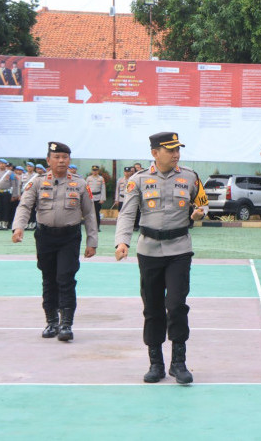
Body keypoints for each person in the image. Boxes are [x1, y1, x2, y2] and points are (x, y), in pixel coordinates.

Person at [115, 132, 209, 384]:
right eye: (170, 150)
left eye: (178, 149)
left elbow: (202, 203)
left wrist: (200, 213)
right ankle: (155, 362)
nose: (176, 154)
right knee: (153, 307)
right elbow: (127, 214)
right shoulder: (138, 180)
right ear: (155, 153)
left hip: (179, 249)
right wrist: (122, 241)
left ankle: (179, 363)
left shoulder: (190, 177)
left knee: (177, 305)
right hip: (149, 252)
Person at [11, 142, 98, 341]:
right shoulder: (38, 182)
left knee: (66, 278)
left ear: (69, 160)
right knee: (49, 279)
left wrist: (92, 241)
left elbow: (89, 214)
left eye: (65, 157)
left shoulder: (80, 183)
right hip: (45, 237)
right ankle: (51, 322)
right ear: (48, 160)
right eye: (57, 157)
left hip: (69, 237)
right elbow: (25, 206)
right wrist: (18, 227)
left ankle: (66, 324)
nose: (61, 160)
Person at [0, 158, 18, 230]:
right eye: (0, 163)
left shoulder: (10, 173)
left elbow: (14, 184)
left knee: (6, 208)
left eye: (3, 164)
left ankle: (5, 224)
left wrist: (14, 195)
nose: (1, 165)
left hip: (6, 192)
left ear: (5, 165)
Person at [86, 165, 106, 231]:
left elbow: (103, 189)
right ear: (92, 171)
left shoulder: (101, 178)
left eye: (96, 170)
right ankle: (91, 227)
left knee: (97, 213)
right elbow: (87, 188)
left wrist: (102, 199)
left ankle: (97, 227)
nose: (95, 172)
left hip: (98, 198)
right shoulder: (88, 178)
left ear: (98, 171)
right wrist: (87, 198)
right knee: (90, 213)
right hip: (90, 197)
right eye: (93, 170)